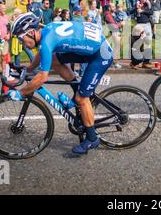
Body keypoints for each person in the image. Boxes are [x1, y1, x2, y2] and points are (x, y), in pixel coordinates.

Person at [8, 13, 113, 154]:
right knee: (56, 60)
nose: (21, 43)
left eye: (21, 38)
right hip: (92, 45)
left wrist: (21, 93)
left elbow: (42, 77)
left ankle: (92, 138)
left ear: (32, 32)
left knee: (82, 98)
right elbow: (43, 53)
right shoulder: (46, 31)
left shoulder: (46, 42)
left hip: (100, 55)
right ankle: (78, 92)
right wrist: (29, 68)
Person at [133, 0, 153, 69]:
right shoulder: (137, 4)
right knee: (139, 43)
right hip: (139, 25)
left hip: (147, 24)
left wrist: (143, 11)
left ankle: (146, 62)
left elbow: (151, 12)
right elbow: (130, 11)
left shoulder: (148, 4)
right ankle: (137, 62)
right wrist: (136, 8)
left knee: (148, 43)